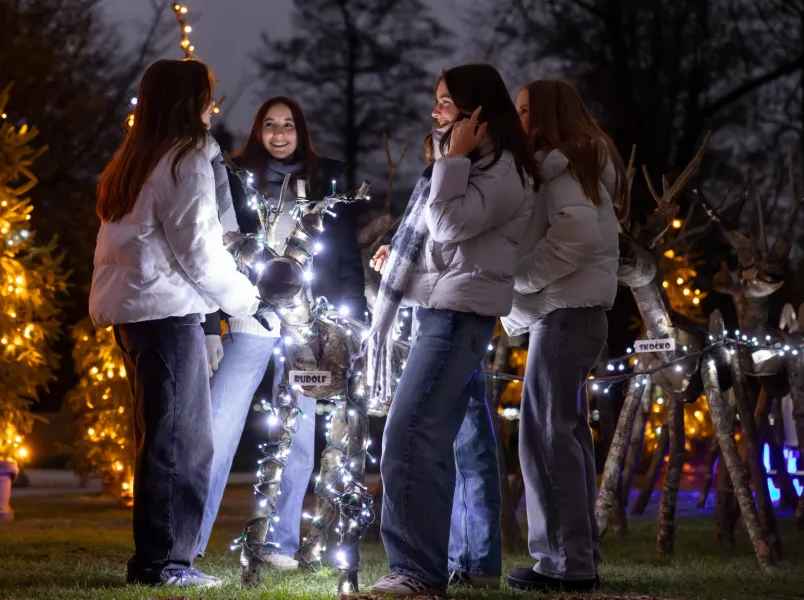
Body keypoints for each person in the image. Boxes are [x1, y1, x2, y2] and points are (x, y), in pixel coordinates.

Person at [366, 64, 539, 597]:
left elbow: (445, 225)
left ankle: (417, 571)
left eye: (445, 103)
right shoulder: (468, 166)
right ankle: (476, 561)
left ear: (477, 114)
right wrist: (400, 262)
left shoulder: (500, 170)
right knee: (467, 442)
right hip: (444, 310)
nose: (435, 112)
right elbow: (446, 252)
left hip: (458, 319)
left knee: (410, 434)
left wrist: (456, 158)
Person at [88, 58, 259, 588]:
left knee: (161, 439)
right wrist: (244, 299)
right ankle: (165, 564)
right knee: (181, 443)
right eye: (208, 95)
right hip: (165, 314)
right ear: (189, 102)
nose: (214, 105)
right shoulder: (185, 160)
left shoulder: (136, 159)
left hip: (136, 314)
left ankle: (159, 561)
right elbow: (200, 250)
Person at [196, 96, 366, 568]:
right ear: (257, 130)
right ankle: (187, 540)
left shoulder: (326, 180)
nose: (278, 133)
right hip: (250, 323)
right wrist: (215, 323)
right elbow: (217, 249)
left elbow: (347, 254)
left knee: (298, 440)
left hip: (307, 330)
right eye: (269, 124)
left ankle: (281, 543)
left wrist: (355, 321)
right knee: (218, 426)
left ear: (301, 130)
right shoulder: (237, 178)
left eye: (288, 124)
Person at [501, 79, 623, 593]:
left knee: (546, 439)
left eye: (526, 109)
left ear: (548, 114)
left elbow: (576, 234)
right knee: (565, 436)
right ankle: (577, 556)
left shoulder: (562, 164)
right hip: (576, 313)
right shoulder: (575, 163)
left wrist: (520, 277)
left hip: (565, 313)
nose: (518, 117)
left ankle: (564, 562)